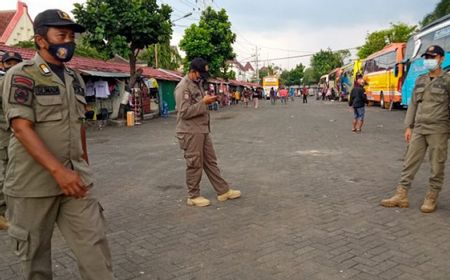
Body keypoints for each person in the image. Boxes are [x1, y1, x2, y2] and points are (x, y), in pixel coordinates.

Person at [2, 9, 114, 279]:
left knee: (94, 246)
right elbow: (20, 127)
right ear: (41, 40)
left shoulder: (75, 78)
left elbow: (79, 125)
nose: (68, 42)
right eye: (61, 35)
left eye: (71, 36)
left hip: (74, 179)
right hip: (32, 185)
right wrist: (58, 171)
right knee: (35, 260)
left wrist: (82, 166)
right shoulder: (22, 75)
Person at [381, 45, 450, 213]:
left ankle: (431, 197)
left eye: (432, 57)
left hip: (438, 129)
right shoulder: (420, 80)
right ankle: (401, 195)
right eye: (426, 57)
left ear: (441, 59)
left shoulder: (447, 81)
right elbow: (412, 104)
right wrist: (408, 126)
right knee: (409, 162)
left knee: (437, 165)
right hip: (419, 128)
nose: (428, 60)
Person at [175, 57, 241, 207]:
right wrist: (204, 103)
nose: (201, 78)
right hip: (190, 131)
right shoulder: (183, 87)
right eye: (200, 75)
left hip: (202, 129)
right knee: (194, 163)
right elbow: (184, 112)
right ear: (192, 71)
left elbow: (198, 104)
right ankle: (193, 195)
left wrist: (207, 101)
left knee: (210, 161)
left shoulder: (196, 84)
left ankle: (223, 191)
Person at [0, 52, 23, 231]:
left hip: (22, 135)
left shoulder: (22, 85)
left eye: (16, 63)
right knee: (7, 174)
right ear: (3, 65)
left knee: (21, 173)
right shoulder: (1, 84)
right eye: (9, 63)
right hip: (5, 135)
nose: (12, 66)